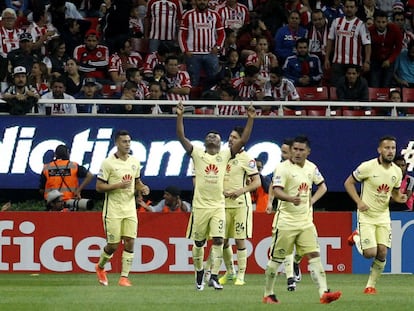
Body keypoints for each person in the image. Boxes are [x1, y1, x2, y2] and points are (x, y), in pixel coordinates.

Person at [176, 101, 255, 291]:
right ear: (205, 142)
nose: (213, 137)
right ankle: (199, 274)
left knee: (219, 240)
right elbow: (181, 136)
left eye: (216, 137)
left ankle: (213, 275)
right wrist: (179, 116)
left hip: (218, 206)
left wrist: (250, 118)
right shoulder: (197, 154)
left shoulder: (226, 155)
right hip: (200, 207)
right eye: (209, 136)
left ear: (220, 144)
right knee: (199, 242)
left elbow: (242, 141)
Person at [263, 135, 341, 304]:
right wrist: (291, 199)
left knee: (314, 254)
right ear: (290, 151)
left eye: (301, 150)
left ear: (308, 151)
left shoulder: (312, 168)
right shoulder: (283, 168)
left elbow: (323, 186)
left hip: (305, 222)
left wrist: (312, 201)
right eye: (295, 149)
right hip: (286, 221)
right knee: (276, 259)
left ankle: (324, 293)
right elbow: (276, 190)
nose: (297, 153)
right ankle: (268, 293)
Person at [344, 135, 407, 294]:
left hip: (383, 216)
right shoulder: (367, 167)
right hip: (366, 215)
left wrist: (400, 198)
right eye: (387, 148)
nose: (390, 151)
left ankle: (370, 286)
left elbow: (395, 193)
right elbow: (348, 183)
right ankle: (356, 236)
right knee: (369, 253)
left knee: (382, 251)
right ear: (380, 150)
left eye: (393, 148)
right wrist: (358, 201)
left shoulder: (397, 172)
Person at [95, 129, 150, 287]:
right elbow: (99, 186)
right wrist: (118, 185)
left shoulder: (134, 161)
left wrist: (143, 187)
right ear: (116, 143)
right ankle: (100, 267)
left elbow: (137, 181)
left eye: (129, 141)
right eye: (124, 142)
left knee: (130, 242)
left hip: (130, 208)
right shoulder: (108, 163)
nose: (127, 144)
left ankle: (124, 277)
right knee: (113, 245)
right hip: (113, 209)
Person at [216, 126, 261, 286]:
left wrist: (240, 191)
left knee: (239, 239)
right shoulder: (223, 156)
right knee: (222, 240)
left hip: (240, 204)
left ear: (241, 140)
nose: (230, 139)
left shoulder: (246, 158)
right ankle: (230, 273)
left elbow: (257, 182)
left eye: (235, 137)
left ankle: (241, 275)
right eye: (230, 136)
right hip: (223, 204)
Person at [178, 0, 225, 87]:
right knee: (193, 81)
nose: (202, 2)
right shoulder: (188, 15)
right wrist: (185, 50)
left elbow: (222, 33)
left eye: (204, 0)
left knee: (214, 81)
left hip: (211, 53)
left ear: (208, 1)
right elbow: (182, 34)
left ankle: (211, 98)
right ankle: (192, 99)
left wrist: (218, 47)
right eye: (199, 0)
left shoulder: (215, 15)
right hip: (193, 54)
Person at [325, 0, 371, 87]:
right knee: (336, 88)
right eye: (347, 7)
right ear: (343, 8)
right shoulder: (336, 21)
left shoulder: (361, 24)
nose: (349, 9)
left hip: (354, 63)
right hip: (338, 62)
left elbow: (367, 44)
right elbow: (330, 40)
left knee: (354, 89)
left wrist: (367, 61)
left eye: (351, 7)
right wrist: (327, 58)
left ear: (356, 9)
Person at [368, 11, 403, 87]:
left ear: (387, 21)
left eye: (383, 22)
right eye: (378, 22)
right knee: (374, 84)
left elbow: (398, 47)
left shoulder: (395, 29)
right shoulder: (369, 31)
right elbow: (366, 47)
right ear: (374, 21)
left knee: (386, 85)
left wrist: (390, 60)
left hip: (389, 59)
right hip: (374, 60)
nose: (381, 24)